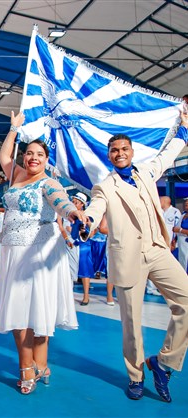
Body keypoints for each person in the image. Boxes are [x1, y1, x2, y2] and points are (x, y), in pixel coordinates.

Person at [83, 111, 188, 402]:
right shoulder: (106, 186)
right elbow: (95, 208)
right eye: (114, 150)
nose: (119, 153)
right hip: (128, 257)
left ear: (132, 152)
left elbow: (168, 155)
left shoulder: (146, 171)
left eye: (124, 149)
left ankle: (162, 362)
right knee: (131, 322)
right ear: (109, 155)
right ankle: (136, 375)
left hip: (157, 249)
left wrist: (183, 129)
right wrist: (87, 222)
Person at [0, 112, 83, 395]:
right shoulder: (16, 174)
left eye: (38, 154)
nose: (32, 158)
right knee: (22, 311)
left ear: (46, 159)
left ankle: (29, 367)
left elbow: (62, 204)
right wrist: (13, 129)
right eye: (29, 153)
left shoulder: (49, 183)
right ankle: (39, 365)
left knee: (32, 310)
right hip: (11, 252)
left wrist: (74, 213)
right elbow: (4, 157)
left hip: (36, 252)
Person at [173, 198, 188, 272]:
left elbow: (179, 229)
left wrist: (180, 230)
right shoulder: (183, 215)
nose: (186, 203)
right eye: (185, 202)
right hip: (180, 246)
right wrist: (174, 241)